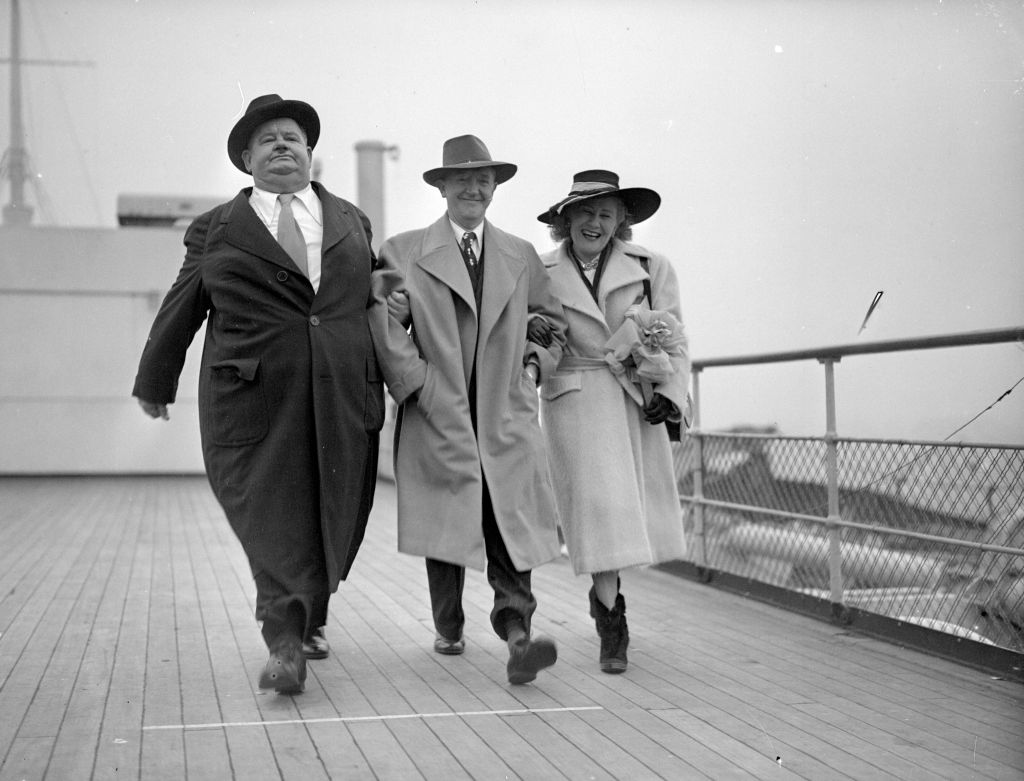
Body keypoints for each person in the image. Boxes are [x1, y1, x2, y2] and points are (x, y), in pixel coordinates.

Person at [132, 94, 383, 694]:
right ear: (246, 159)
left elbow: (376, 300)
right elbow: (183, 302)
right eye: (266, 139)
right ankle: (285, 644)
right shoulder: (219, 227)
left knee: (332, 509)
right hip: (253, 400)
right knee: (270, 517)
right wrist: (155, 379)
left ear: (310, 153)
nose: (280, 146)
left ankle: (309, 616)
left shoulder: (351, 220)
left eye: (291, 137)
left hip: (342, 393)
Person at [369, 135, 567, 685]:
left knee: (509, 522)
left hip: (504, 412)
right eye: (463, 180)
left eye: (485, 180)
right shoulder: (402, 251)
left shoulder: (521, 255)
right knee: (450, 519)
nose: (474, 189)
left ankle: (519, 634)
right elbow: (384, 326)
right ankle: (448, 624)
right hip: (441, 409)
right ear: (442, 187)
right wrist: (421, 385)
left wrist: (530, 369)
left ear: (495, 188)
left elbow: (551, 324)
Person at [534, 170, 690, 674]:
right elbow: (528, 334)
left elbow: (676, 337)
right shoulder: (538, 270)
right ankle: (611, 620)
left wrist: (668, 395)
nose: (594, 222)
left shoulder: (651, 267)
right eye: (584, 212)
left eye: (606, 213)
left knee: (623, 513)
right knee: (597, 510)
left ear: (622, 220)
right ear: (565, 219)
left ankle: (607, 604)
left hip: (630, 400)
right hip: (573, 396)